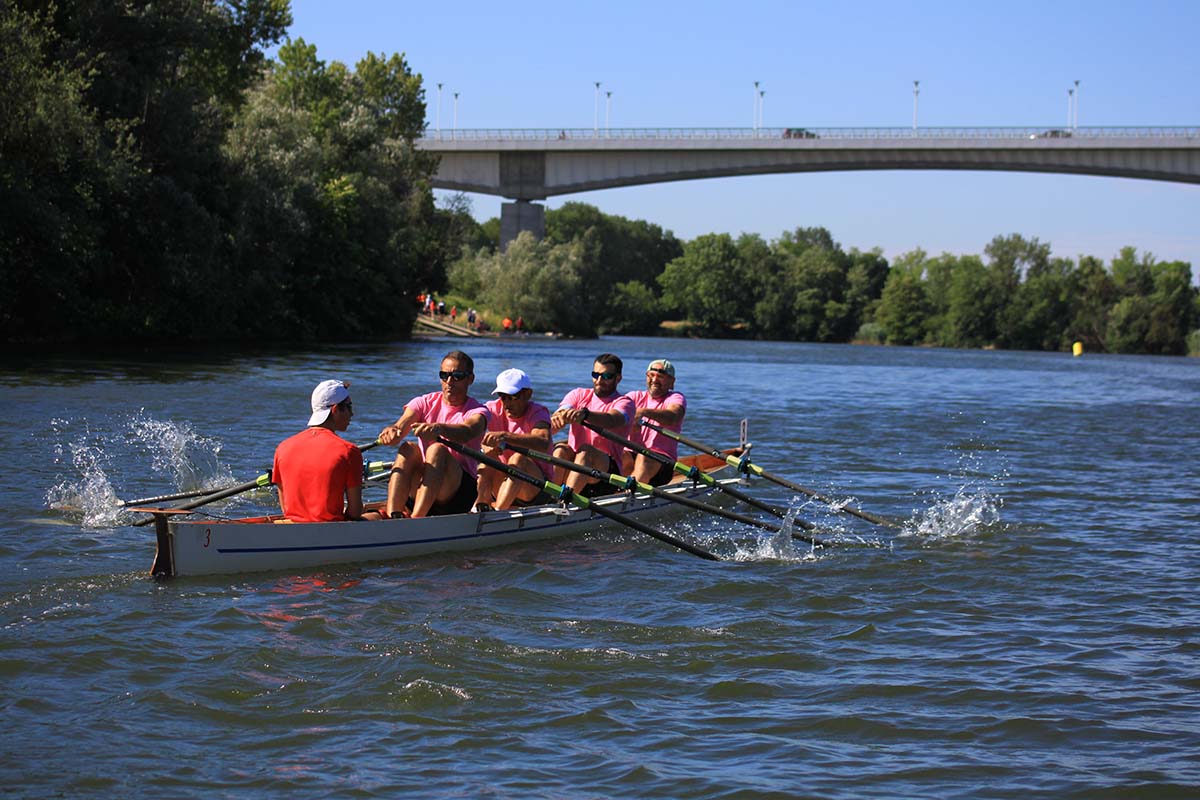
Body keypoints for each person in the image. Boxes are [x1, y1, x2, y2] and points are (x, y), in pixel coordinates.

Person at [378, 351, 489, 518]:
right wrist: (393, 431)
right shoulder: (424, 402)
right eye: (444, 375)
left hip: (458, 494)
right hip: (425, 485)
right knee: (407, 448)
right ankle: (393, 514)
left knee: (437, 449)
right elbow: (401, 425)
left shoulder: (478, 411)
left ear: (470, 379)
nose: (449, 381)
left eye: (457, 376)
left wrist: (439, 429)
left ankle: (417, 520)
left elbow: (468, 432)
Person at [272, 380, 373, 522]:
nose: (352, 413)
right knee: (377, 515)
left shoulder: (282, 448)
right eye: (349, 407)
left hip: (292, 525)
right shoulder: (349, 451)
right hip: (331, 529)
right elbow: (355, 512)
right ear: (336, 409)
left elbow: (285, 508)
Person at [549, 353, 635, 496]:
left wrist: (586, 415)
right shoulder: (578, 394)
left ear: (618, 378)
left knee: (585, 451)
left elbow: (612, 419)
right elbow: (562, 410)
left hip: (606, 476)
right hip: (576, 467)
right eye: (596, 375)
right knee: (560, 450)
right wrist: (559, 419)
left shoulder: (625, 403)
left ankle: (563, 501)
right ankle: (550, 498)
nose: (599, 380)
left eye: (606, 376)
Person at [474, 368, 553, 510]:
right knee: (488, 456)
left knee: (518, 459)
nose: (506, 403)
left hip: (536, 489)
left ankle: (498, 513)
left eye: (512, 397)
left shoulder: (537, 412)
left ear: (528, 394)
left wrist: (506, 436)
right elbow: (470, 427)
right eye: (502, 396)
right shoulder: (491, 409)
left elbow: (543, 442)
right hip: (503, 483)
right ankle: (480, 506)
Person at [622, 359, 687, 485]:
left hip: (662, 462)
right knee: (616, 455)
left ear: (671, 383)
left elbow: (673, 416)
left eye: (660, 377)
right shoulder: (633, 396)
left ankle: (630, 495)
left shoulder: (675, 398)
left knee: (644, 456)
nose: (655, 380)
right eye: (651, 375)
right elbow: (614, 414)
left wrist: (644, 412)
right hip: (631, 455)